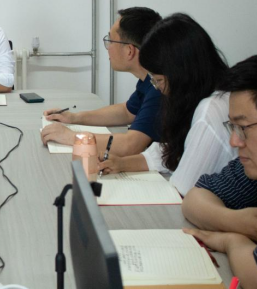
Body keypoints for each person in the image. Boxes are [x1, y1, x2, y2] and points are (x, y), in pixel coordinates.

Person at [183, 51, 257, 289]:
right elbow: (194, 198)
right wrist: (236, 221)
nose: (235, 141)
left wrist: (231, 241)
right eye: (233, 127)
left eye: (243, 128)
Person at [97, 13, 236, 195]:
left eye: (159, 81)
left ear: (181, 74)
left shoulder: (210, 112)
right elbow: (173, 149)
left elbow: (182, 188)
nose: (160, 89)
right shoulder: (202, 94)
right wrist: (122, 163)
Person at [41, 7, 162, 156]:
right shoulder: (148, 79)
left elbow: (130, 145)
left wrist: (72, 137)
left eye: (110, 41)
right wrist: (74, 117)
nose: (107, 48)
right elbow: (126, 112)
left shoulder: (160, 87)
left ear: (129, 51)